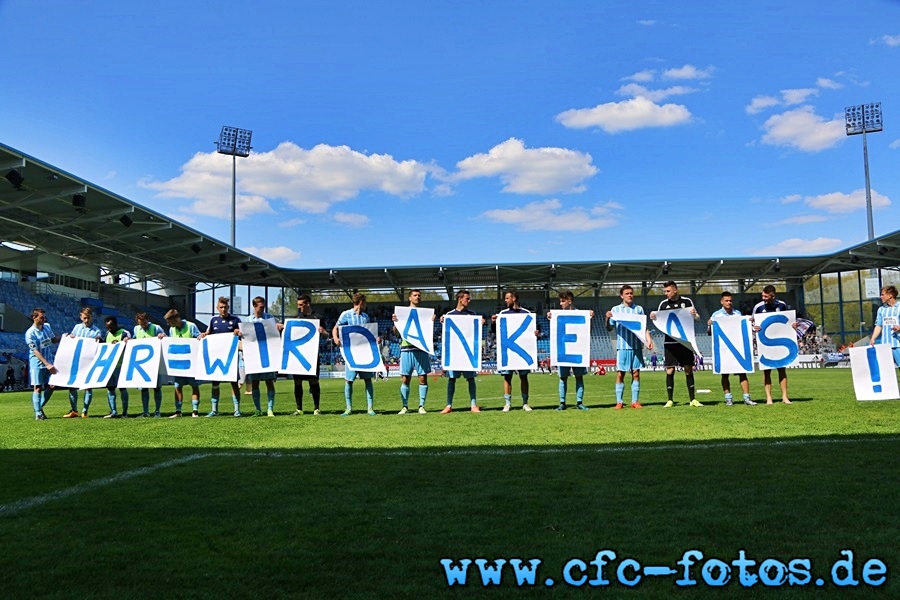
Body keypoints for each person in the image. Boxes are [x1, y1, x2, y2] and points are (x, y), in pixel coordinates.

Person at [650, 281, 702, 407]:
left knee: (688, 369)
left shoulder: (687, 302)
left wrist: (695, 315)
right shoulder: (663, 304)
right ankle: (670, 400)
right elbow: (659, 322)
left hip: (685, 341)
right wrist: (653, 317)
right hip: (670, 342)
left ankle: (692, 399)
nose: (666, 294)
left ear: (675, 290)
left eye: (668, 291)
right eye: (665, 291)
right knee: (669, 370)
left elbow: (697, 319)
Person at [606, 284, 652, 409]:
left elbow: (644, 328)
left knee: (636, 373)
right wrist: (607, 318)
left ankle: (634, 401)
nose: (630, 295)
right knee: (620, 373)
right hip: (622, 346)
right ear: (622, 296)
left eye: (631, 293)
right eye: (627, 293)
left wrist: (648, 340)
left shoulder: (639, 309)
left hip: (636, 346)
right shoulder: (616, 310)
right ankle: (619, 401)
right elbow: (609, 327)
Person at [492, 290, 538, 412]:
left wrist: (536, 332)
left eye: (507, 298)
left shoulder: (526, 313)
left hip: (521, 349)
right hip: (508, 351)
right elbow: (494, 330)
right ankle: (507, 403)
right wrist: (493, 323)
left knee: (524, 377)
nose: (505, 301)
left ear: (514, 298)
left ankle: (525, 403)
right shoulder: (503, 313)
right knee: (507, 377)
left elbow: (533, 330)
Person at [707, 291, 756, 406]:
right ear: (722, 301)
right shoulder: (716, 315)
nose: (729, 303)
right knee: (725, 374)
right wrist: (709, 325)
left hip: (737, 347)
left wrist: (749, 323)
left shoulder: (738, 314)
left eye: (730, 300)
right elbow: (710, 333)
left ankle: (746, 397)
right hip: (724, 349)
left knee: (743, 373)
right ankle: (728, 398)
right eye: (726, 301)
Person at [332, 293, 377, 416]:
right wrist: (335, 338)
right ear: (362, 302)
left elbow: (368, 334)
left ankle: (370, 408)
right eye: (365, 302)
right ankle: (348, 408)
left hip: (364, 353)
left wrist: (376, 339)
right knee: (349, 380)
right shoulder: (346, 314)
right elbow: (335, 328)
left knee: (368, 379)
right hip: (351, 353)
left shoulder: (365, 317)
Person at [752, 285, 797, 404]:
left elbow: (788, 321)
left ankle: (785, 397)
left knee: (782, 369)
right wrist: (754, 327)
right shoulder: (758, 307)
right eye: (762, 296)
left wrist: (793, 325)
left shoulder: (782, 305)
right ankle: (769, 397)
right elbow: (752, 322)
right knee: (766, 370)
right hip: (765, 342)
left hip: (780, 341)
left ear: (773, 295)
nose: (764, 298)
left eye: (766, 296)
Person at [440, 290, 483, 414]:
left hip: (468, 354)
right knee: (452, 379)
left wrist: (481, 324)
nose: (469, 301)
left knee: (471, 379)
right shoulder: (449, 315)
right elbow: (446, 338)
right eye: (467, 299)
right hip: (455, 353)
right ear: (460, 299)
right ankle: (448, 405)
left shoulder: (472, 314)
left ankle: (473, 405)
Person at [549, 290, 593, 410]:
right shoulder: (557, 315)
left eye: (563, 301)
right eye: (560, 301)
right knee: (563, 377)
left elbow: (588, 331)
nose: (560, 304)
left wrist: (590, 319)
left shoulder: (580, 314)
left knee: (579, 377)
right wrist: (550, 319)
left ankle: (579, 402)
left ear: (570, 301)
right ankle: (562, 402)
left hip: (576, 350)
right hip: (564, 350)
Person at [393, 289, 434, 414]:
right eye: (415, 295)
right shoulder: (402, 314)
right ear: (409, 298)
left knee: (422, 378)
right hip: (406, 348)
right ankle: (405, 406)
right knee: (405, 379)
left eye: (419, 295)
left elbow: (428, 330)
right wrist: (395, 322)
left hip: (421, 348)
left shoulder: (425, 314)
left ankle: (421, 406)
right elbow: (396, 332)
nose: (418, 297)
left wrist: (431, 321)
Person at [199, 296, 243, 417]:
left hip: (230, 357)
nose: (223, 309)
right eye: (221, 307)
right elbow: (208, 333)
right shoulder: (213, 320)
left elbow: (242, 334)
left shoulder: (235, 320)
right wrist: (204, 334)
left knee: (234, 383)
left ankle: (237, 409)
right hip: (217, 356)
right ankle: (214, 409)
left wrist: (238, 332)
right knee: (215, 383)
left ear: (228, 307)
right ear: (217, 308)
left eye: (225, 307)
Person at [291, 294, 328, 416]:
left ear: (308, 304)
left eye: (301, 305)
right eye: (298, 305)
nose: (299, 307)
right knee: (297, 382)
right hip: (298, 355)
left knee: (314, 382)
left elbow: (327, 335)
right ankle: (299, 408)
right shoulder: (295, 318)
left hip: (312, 354)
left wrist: (323, 332)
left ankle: (316, 408)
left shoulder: (318, 318)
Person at [245, 296, 279, 417]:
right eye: (260, 307)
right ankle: (258, 409)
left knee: (269, 382)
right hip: (254, 356)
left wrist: (279, 327)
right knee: (255, 383)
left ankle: (270, 409)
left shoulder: (269, 318)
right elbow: (245, 337)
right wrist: (238, 332)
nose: (263, 308)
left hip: (267, 355)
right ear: (254, 306)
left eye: (264, 306)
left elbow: (275, 333)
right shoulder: (248, 320)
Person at [164, 308, 202, 417]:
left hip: (191, 363)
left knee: (194, 386)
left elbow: (198, 337)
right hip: (178, 364)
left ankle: (195, 411)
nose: (169, 324)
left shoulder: (191, 326)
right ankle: (178, 411)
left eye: (170, 321)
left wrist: (200, 337)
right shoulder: (172, 330)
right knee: (177, 387)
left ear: (176, 318)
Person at [25, 307, 60, 420]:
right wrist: (47, 364)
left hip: (49, 360)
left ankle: (38, 409)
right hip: (37, 363)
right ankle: (38, 413)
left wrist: (64, 337)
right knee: (38, 388)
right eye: (41, 317)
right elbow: (35, 351)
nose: (44, 319)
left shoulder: (47, 327)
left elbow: (53, 339)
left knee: (52, 386)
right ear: (34, 318)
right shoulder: (30, 333)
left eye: (44, 317)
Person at [68, 307, 103, 418]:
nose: (86, 320)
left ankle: (85, 410)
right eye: (84, 318)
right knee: (72, 385)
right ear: (80, 317)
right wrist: (70, 337)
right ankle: (74, 410)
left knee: (88, 386)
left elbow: (99, 345)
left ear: (91, 317)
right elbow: (71, 340)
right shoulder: (76, 328)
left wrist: (98, 340)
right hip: (77, 361)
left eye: (88, 318)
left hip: (89, 362)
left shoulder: (96, 331)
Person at [134, 311, 166, 417]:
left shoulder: (156, 328)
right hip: (142, 364)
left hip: (155, 363)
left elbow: (166, 339)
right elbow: (134, 341)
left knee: (157, 388)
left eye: (144, 323)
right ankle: (146, 411)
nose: (143, 325)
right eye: (140, 324)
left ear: (148, 320)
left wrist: (163, 336)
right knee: (144, 389)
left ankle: (157, 411)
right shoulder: (136, 329)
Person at [103, 315, 131, 418]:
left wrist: (127, 341)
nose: (109, 329)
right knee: (110, 388)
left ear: (115, 324)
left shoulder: (124, 333)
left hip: (121, 365)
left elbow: (131, 347)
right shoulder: (107, 334)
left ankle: (125, 412)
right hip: (110, 366)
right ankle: (113, 411)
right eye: (107, 327)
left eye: (111, 327)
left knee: (122, 388)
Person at [870, 285, 900, 367]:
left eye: (883, 294)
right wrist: (873, 338)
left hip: (897, 344)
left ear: (890, 296)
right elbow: (878, 325)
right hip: (885, 345)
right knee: (886, 368)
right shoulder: (881, 309)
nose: (881, 296)